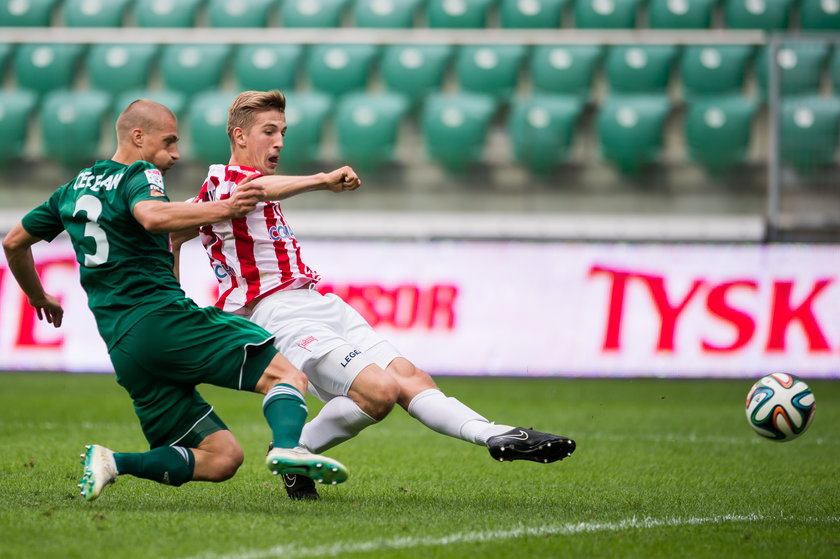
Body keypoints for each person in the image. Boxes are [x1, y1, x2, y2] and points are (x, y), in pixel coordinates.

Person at [176, 90, 575, 500]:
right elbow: (236, 200)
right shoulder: (223, 181)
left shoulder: (230, 193)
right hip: (279, 315)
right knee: (379, 391)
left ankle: (496, 434)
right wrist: (322, 180)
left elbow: (180, 228)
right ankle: (293, 450)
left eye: (283, 132)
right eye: (269, 131)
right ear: (240, 136)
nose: (279, 141)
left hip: (318, 302)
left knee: (409, 378)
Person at [1, 99, 348, 502]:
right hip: (162, 320)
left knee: (221, 458)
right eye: (168, 143)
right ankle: (288, 448)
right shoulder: (139, 173)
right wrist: (226, 206)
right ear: (138, 137)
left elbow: (13, 243)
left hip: (123, 347)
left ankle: (111, 462)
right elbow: (152, 216)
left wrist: (38, 294)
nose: (175, 154)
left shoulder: (71, 189)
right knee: (286, 375)